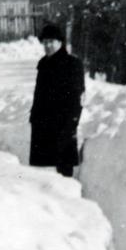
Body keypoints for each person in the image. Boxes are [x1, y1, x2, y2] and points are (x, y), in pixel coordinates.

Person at [29, 21, 85, 177]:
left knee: (64, 168)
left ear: (60, 42)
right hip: (43, 124)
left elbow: (77, 97)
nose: (47, 46)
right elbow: (39, 94)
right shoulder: (43, 64)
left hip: (63, 124)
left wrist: (72, 122)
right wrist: (34, 117)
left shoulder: (72, 64)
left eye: (51, 42)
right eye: (45, 42)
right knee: (44, 173)